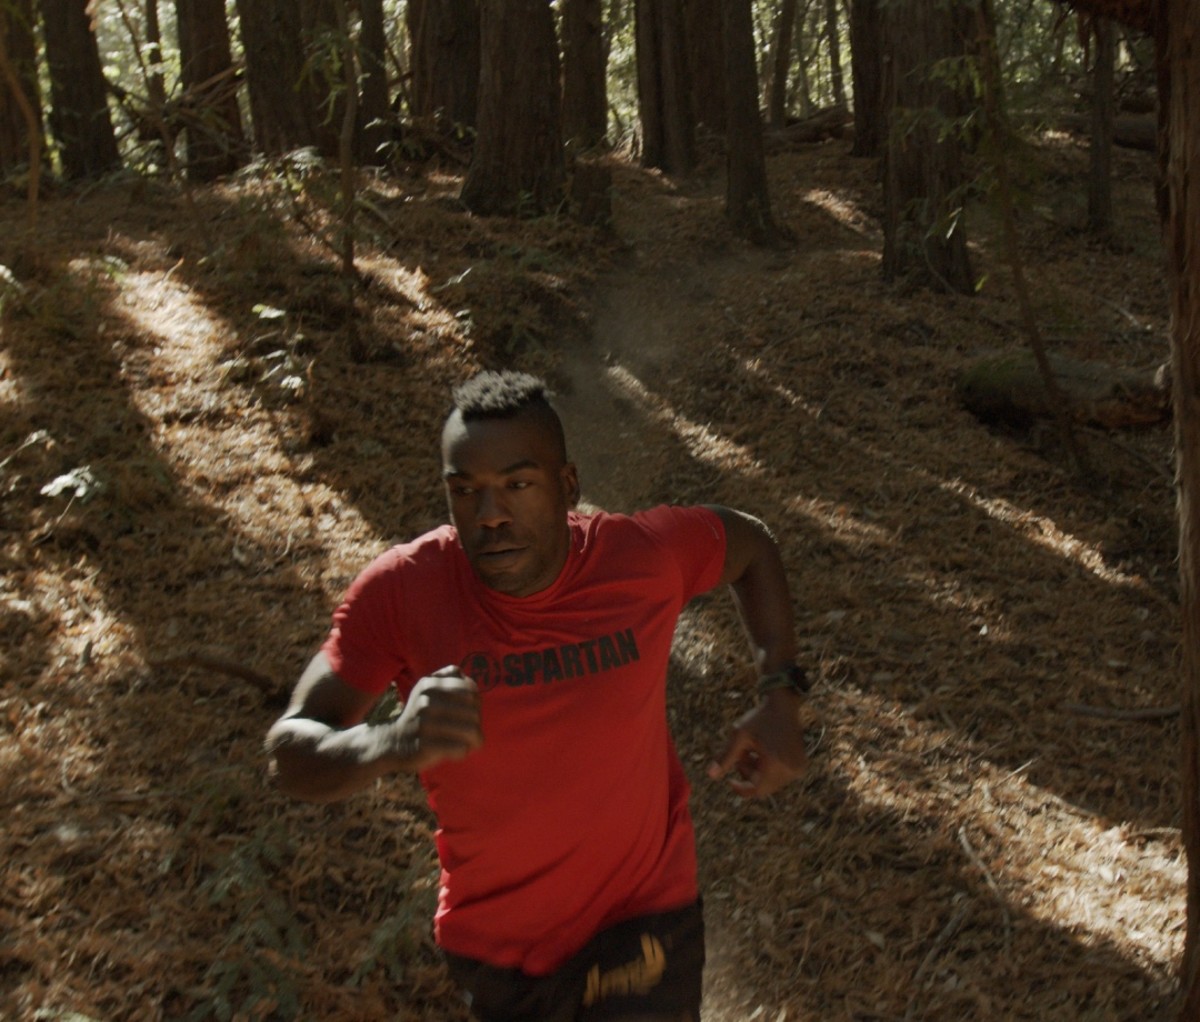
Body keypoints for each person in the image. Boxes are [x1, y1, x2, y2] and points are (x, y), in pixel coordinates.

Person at [265, 369, 810, 1022]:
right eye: (464, 491)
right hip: (497, 950)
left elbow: (749, 543)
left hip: (644, 918)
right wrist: (387, 743)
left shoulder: (639, 558)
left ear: (567, 487)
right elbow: (290, 751)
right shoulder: (402, 592)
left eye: (517, 485)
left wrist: (781, 692)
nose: (489, 514)